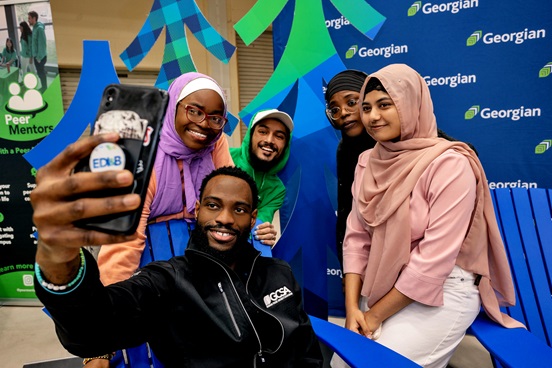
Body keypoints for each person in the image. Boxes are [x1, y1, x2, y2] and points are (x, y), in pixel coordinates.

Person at [31, 157, 324, 367]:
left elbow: (307, 350)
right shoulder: (169, 281)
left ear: (252, 217)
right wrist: (61, 259)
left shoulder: (278, 272)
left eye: (239, 209)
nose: (224, 218)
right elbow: (94, 327)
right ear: (197, 210)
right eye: (213, 205)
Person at [332, 63, 523, 368]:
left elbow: (433, 261)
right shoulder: (368, 161)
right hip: (383, 285)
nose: (372, 116)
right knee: (341, 364)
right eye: (366, 107)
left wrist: (373, 316)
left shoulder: (450, 163)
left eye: (385, 104)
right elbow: (356, 238)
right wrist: (353, 308)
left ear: (410, 103)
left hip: (444, 289)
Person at [324, 70, 377, 269]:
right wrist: (348, 269)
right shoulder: (344, 150)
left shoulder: (399, 141)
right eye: (335, 109)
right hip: (366, 262)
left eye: (351, 102)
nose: (344, 112)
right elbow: (347, 212)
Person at [230, 108, 294, 249]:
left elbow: (257, 228)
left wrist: (264, 232)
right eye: (263, 132)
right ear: (250, 135)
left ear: (285, 146)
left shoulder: (277, 190)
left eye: (279, 136)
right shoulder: (225, 158)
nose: (269, 141)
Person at [28, 11, 47, 92]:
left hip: (40, 57)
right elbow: (34, 44)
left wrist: (38, 57)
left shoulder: (39, 29)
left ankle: (44, 88)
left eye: (29, 18)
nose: (28, 20)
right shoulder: (35, 28)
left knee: (41, 73)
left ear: (34, 18)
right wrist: (32, 56)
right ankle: (44, 86)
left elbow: (42, 44)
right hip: (36, 56)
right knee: (40, 73)